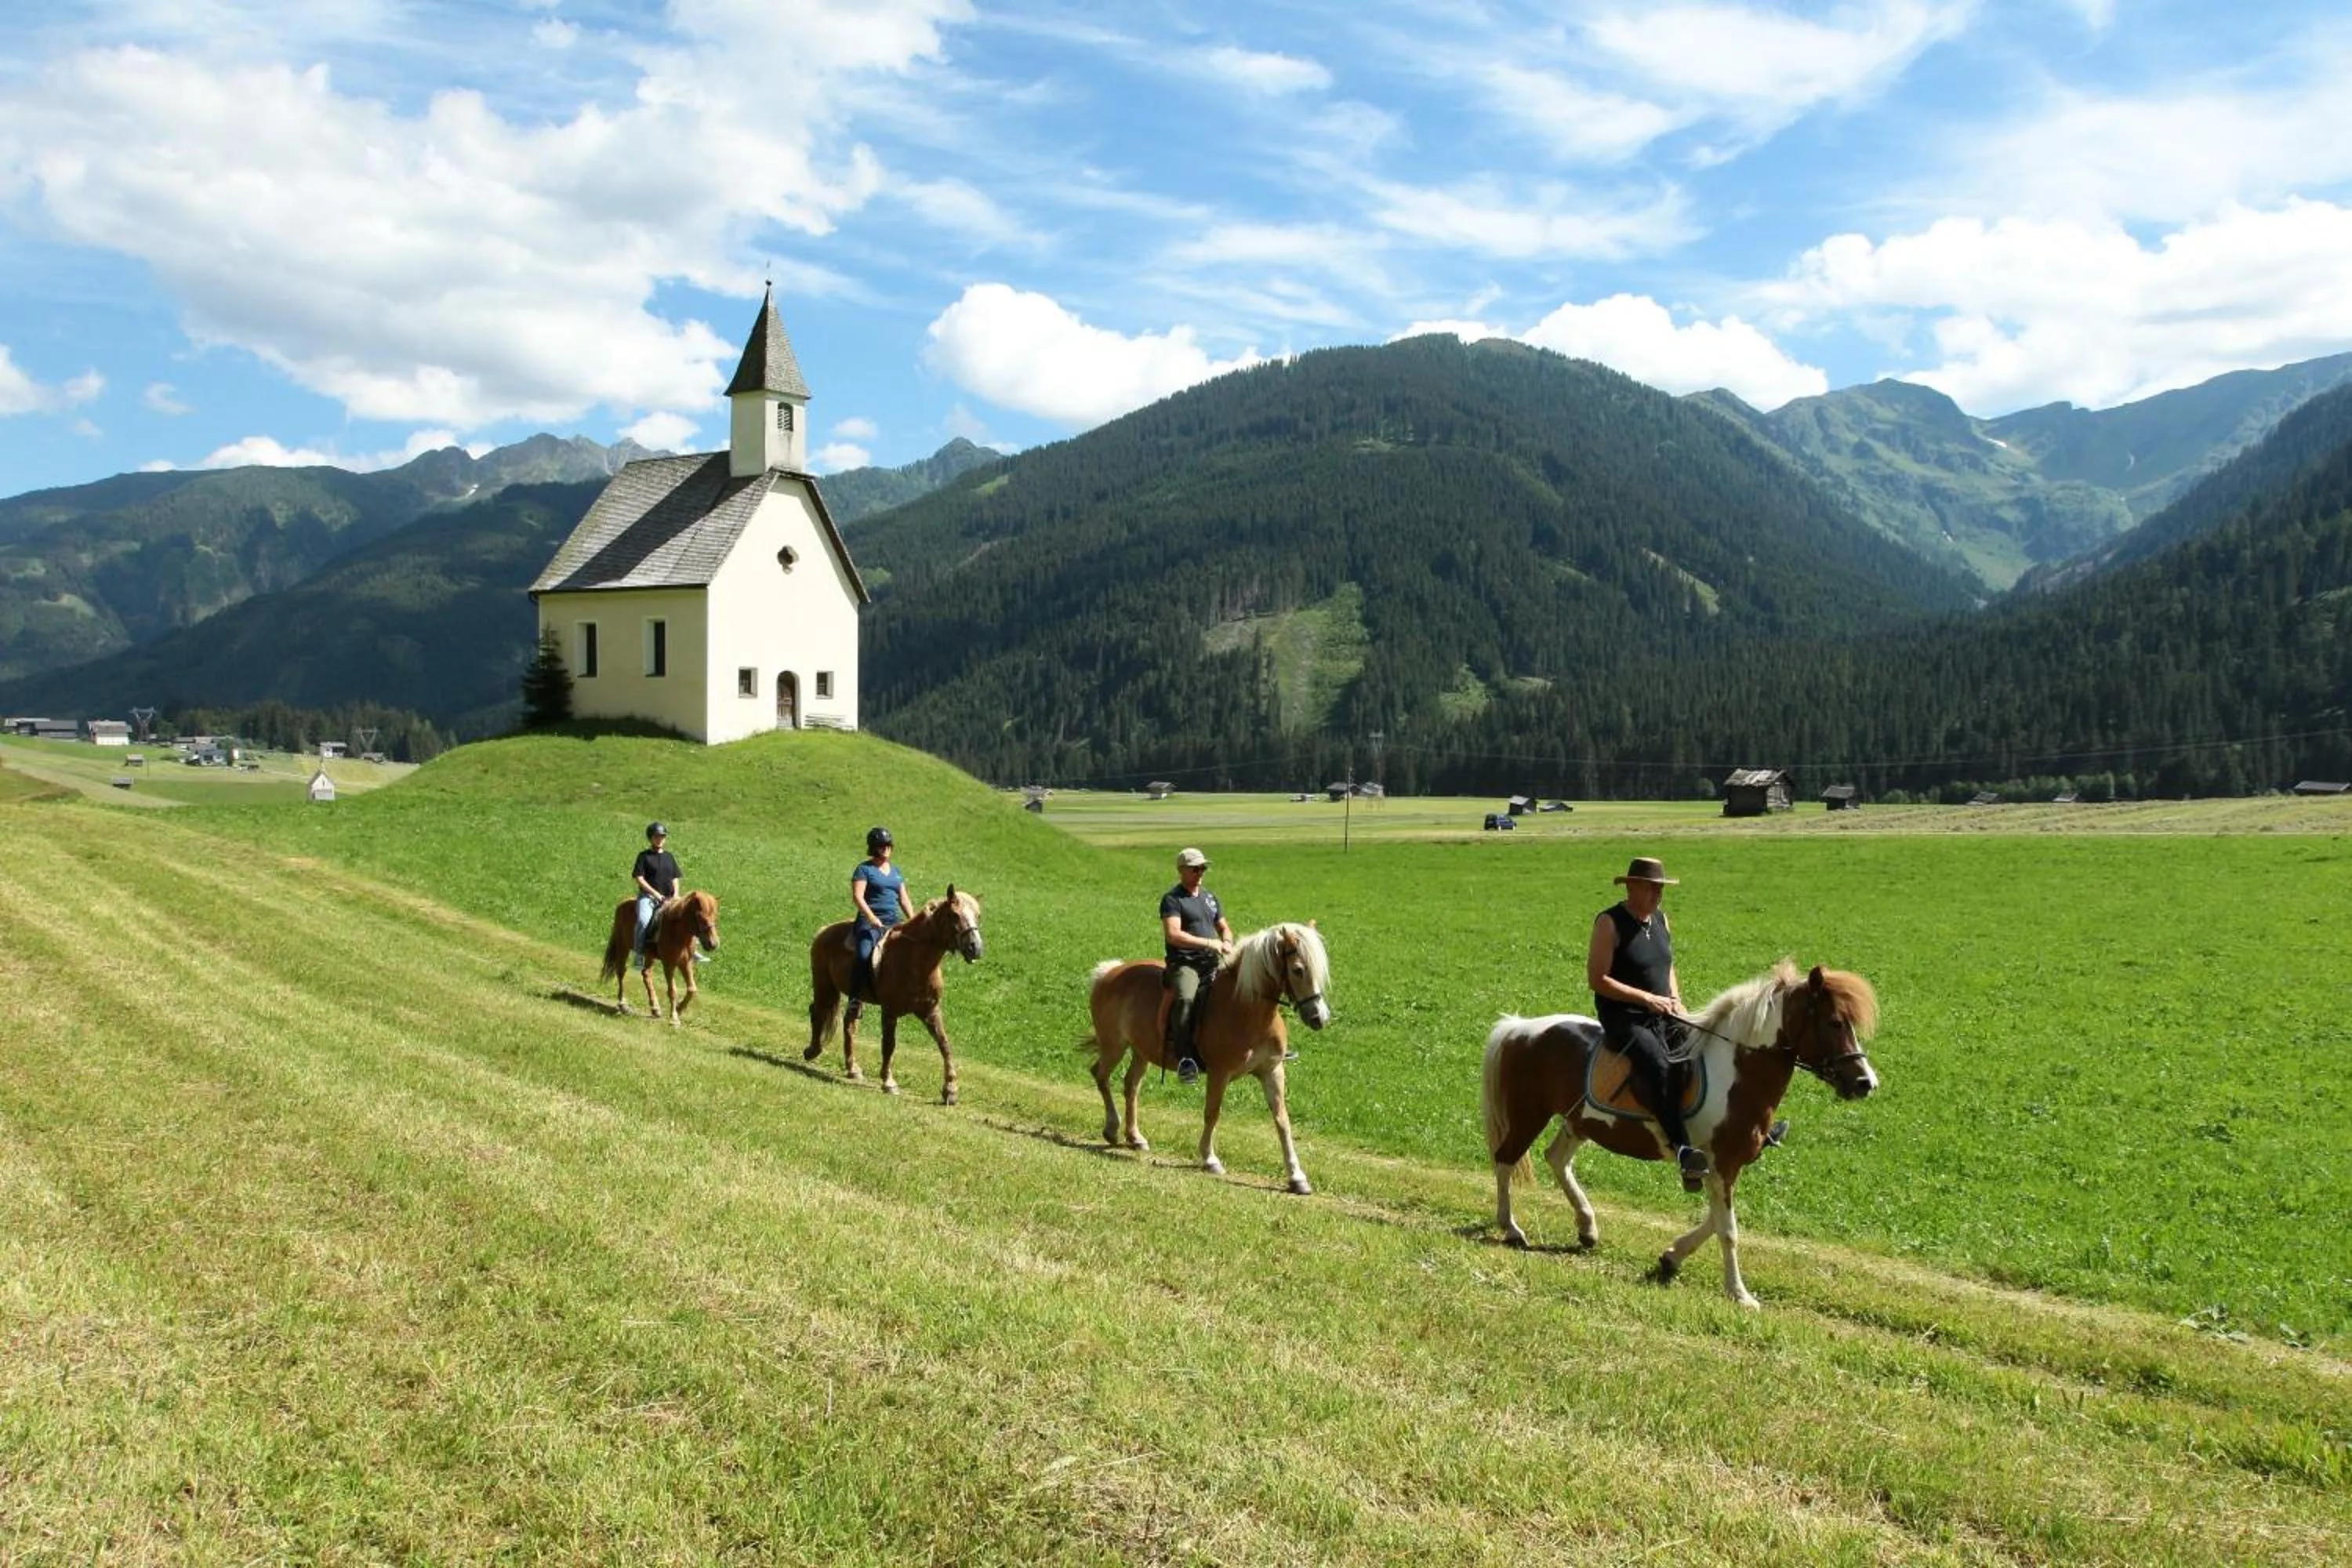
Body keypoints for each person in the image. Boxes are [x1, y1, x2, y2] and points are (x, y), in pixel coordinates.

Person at [1588, 855, 1711, 1185]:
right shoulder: (1609, 923)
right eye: (1650, 888)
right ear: (1630, 887)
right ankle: (1683, 1150)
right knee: (1658, 1064)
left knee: (1697, 1051)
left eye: (1660, 888)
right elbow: (1598, 980)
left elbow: (1667, 966)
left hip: (1663, 1011)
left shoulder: (1661, 920)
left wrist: (1676, 1001)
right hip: (1624, 1017)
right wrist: (1646, 999)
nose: (1657, 895)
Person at [1160, 846, 1233, 1085]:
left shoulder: (1210, 898)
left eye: (1203, 868)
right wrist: (1210, 943)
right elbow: (1173, 935)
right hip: (1185, 964)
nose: (1200, 872)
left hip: (1212, 962)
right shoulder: (1173, 899)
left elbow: (1223, 926)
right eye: (1195, 869)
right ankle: (1185, 1058)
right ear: (1181, 870)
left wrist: (1228, 940)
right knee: (1186, 999)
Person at [848, 826, 907, 1023]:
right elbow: (858, 897)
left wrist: (914, 919)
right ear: (873, 848)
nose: (886, 849)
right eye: (881, 846)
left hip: (893, 920)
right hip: (869, 921)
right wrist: (872, 918)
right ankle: (855, 1000)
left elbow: (904, 899)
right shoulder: (864, 869)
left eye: (888, 845)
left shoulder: (896, 872)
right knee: (864, 955)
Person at [632, 822, 682, 971]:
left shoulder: (669, 857)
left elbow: (675, 877)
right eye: (657, 836)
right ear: (651, 838)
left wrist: (677, 895)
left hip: (669, 898)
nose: (660, 839)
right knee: (643, 921)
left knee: (689, 916)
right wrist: (656, 894)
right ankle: (639, 954)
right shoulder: (644, 856)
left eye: (662, 836)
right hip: (648, 898)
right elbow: (639, 878)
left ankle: (693, 951)